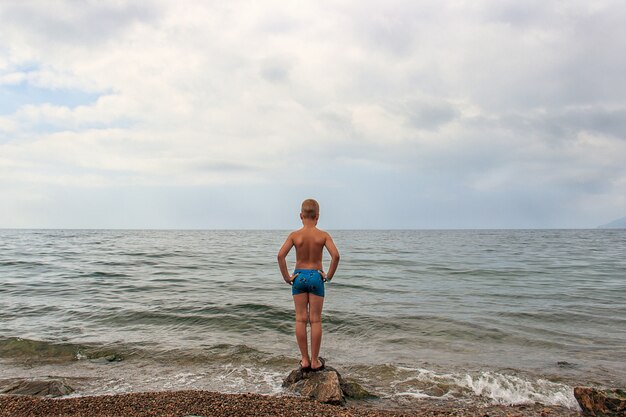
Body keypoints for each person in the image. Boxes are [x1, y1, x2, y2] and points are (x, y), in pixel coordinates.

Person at [277, 199, 340, 372]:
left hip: (299, 277)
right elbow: (336, 256)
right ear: (317, 217)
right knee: (316, 320)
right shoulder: (323, 235)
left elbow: (280, 256)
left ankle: (304, 360)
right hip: (316, 276)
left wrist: (287, 277)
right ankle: (315, 361)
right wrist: (328, 276)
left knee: (300, 319)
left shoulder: (295, 235)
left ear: (301, 216)